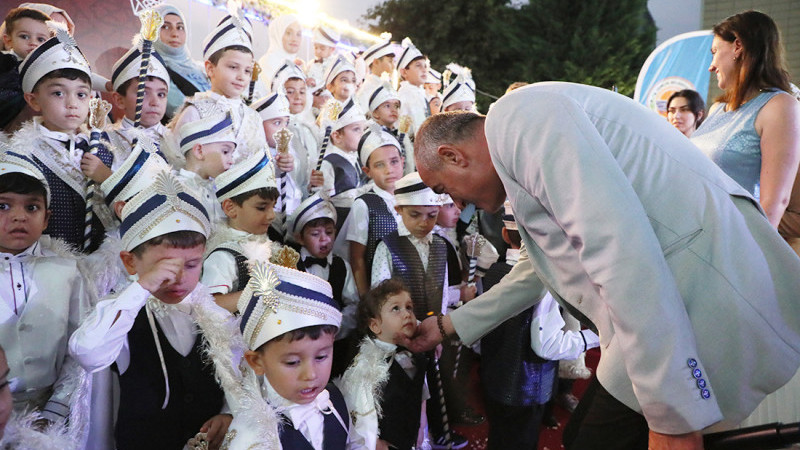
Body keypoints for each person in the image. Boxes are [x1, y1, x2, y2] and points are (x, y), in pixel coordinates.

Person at [409, 82, 800, 450]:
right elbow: (539, 269)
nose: (457, 206)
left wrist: (672, 414)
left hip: (702, 301)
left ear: (452, 156)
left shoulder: (520, 118)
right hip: (666, 311)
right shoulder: (521, 133)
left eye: (445, 190)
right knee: (583, 437)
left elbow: (620, 252)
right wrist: (450, 325)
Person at [69, 171, 233, 449]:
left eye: (192, 265)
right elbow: (89, 353)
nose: (178, 277)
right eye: (163, 267)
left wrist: (229, 414)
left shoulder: (215, 317)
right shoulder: (122, 313)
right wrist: (141, 289)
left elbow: (238, 381)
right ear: (131, 263)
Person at [480, 200, 599, 450]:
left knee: (499, 438)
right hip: (528, 389)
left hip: (494, 381)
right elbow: (548, 346)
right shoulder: (542, 285)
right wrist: (597, 337)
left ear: (504, 233)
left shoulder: (492, 272)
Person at [370, 171, 468, 450]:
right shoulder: (388, 246)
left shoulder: (441, 245)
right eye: (415, 215)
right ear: (398, 209)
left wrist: (438, 327)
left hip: (431, 332)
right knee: (404, 393)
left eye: (432, 215)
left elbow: (443, 290)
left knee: (434, 386)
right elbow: (380, 297)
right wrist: (397, 336)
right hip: (397, 339)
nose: (425, 223)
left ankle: (433, 435)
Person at [0, 149, 90, 437]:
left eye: (32, 208)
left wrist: (55, 409)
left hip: (48, 416)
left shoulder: (67, 271)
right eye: (3, 206)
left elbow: (79, 349)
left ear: (47, 218)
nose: (18, 217)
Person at [220, 261, 350, 449]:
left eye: (321, 357)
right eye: (292, 362)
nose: (311, 375)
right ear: (256, 361)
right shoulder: (251, 437)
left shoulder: (336, 401)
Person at [691, 10, 800, 229]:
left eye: (714, 52)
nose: (711, 65)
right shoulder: (716, 109)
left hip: (734, 239)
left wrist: (748, 257)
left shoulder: (779, 106)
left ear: (738, 46)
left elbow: (774, 204)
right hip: (696, 230)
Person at [12, 26, 114, 253]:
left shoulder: (104, 149)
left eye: (81, 94)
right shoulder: (21, 153)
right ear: (34, 100)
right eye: (58, 93)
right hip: (46, 263)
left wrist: (106, 177)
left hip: (103, 265)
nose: (72, 103)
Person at [340, 278, 429, 450]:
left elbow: (420, 390)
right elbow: (356, 410)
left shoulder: (416, 354)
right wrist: (374, 443)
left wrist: (422, 423)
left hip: (409, 436)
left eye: (409, 307)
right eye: (396, 308)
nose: (406, 314)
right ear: (375, 325)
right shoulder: (367, 367)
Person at [171, 10, 265, 164]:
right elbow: (177, 162)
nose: (241, 76)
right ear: (210, 68)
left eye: (247, 71)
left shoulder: (253, 117)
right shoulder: (195, 112)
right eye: (233, 67)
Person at [288, 193, 359, 377]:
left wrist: (335, 327)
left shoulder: (342, 266)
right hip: (296, 346)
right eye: (315, 234)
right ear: (300, 238)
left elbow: (353, 304)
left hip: (335, 349)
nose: (325, 240)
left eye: (329, 232)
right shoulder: (289, 264)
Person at [201, 149, 278, 313]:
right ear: (230, 208)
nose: (272, 215)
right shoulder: (224, 256)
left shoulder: (268, 246)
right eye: (262, 207)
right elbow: (211, 305)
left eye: (273, 206)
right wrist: (263, 293)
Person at [339, 122, 404, 296]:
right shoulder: (365, 204)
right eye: (380, 165)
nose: (389, 170)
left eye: (394, 162)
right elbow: (357, 258)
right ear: (367, 171)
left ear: (403, 162)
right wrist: (366, 298)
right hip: (380, 292)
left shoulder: (410, 198)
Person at [169, 111, 236, 227]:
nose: (231, 161)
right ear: (199, 151)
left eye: (232, 154)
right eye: (225, 152)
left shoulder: (220, 192)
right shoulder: (175, 189)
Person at [107, 41, 171, 157]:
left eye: (161, 94)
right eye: (143, 93)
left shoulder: (177, 139)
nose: (155, 102)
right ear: (119, 100)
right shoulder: (106, 140)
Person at [251, 92, 301, 233]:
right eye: (277, 123)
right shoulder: (251, 154)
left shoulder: (290, 150)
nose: (284, 130)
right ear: (258, 126)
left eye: (286, 122)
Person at [152, 4, 210, 120]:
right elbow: (178, 109)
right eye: (165, 27)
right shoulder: (152, 67)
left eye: (180, 27)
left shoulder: (199, 68)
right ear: (152, 30)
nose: (175, 34)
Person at [319, 97, 367, 224]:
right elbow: (324, 201)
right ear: (337, 136)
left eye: (363, 129)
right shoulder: (329, 163)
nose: (362, 134)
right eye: (356, 129)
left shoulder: (355, 158)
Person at [0, 7, 49, 132]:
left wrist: (106, 85)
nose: (33, 43)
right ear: (8, 40)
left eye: (41, 39)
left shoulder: (46, 67)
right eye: (24, 37)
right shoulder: (4, 61)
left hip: (24, 124)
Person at [258, 14, 303, 93]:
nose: (295, 39)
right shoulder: (267, 62)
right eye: (289, 33)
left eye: (298, 34)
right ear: (277, 34)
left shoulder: (297, 65)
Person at [355, 35, 395, 113]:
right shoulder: (367, 90)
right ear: (376, 62)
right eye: (390, 61)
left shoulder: (384, 85)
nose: (393, 66)